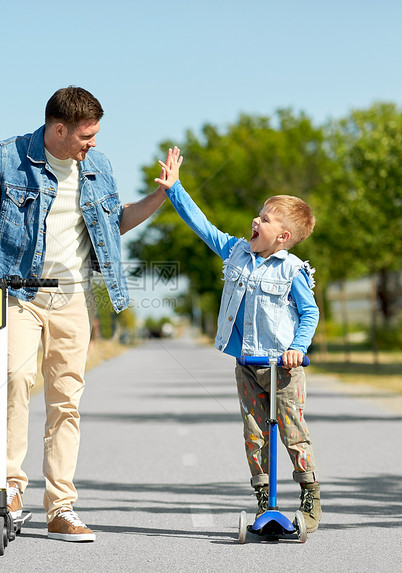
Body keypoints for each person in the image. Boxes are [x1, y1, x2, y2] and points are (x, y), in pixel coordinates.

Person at [0, 86, 167, 542]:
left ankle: (61, 507)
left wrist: (161, 196)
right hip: (19, 296)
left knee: (66, 399)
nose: (94, 144)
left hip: (73, 299)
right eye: (87, 135)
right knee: (14, 383)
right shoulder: (6, 158)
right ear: (58, 128)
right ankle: (9, 491)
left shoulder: (97, 166)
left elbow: (115, 222)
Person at [154, 147, 322, 533]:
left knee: (293, 434)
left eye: (264, 219)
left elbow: (309, 312)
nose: (255, 220)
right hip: (247, 363)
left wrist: (298, 347)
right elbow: (202, 225)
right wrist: (175, 189)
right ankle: (264, 501)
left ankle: (310, 494)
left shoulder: (293, 270)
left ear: (282, 235)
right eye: (258, 214)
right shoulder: (235, 252)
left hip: (283, 367)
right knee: (253, 433)